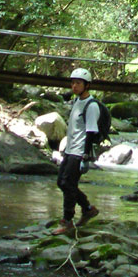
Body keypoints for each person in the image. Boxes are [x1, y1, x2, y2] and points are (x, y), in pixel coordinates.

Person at [51, 67, 100, 235]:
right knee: (61, 182)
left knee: (68, 183)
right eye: (73, 83)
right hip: (71, 149)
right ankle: (87, 209)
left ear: (87, 85)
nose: (74, 86)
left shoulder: (91, 106)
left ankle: (67, 221)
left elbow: (92, 132)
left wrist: (86, 156)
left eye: (78, 83)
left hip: (80, 152)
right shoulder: (77, 101)